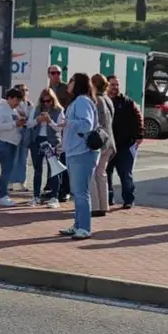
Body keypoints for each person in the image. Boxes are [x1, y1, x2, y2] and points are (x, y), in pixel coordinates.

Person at [59, 73, 101, 240]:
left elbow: (86, 124)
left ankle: (84, 227)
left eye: (71, 81)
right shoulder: (77, 101)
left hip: (82, 152)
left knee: (81, 191)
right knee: (77, 191)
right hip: (74, 151)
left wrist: (68, 123)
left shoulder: (82, 101)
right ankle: (78, 225)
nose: (68, 83)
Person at [106, 75, 144, 210]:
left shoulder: (127, 102)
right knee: (106, 174)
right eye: (112, 84)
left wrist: (139, 135)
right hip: (108, 145)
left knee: (125, 174)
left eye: (117, 85)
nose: (115, 87)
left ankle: (128, 199)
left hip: (124, 144)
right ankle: (107, 199)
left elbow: (138, 117)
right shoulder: (102, 102)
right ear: (106, 86)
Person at [26, 89, 64, 208]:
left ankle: (54, 197)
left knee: (53, 169)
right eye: (43, 101)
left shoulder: (59, 110)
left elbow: (59, 128)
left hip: (51, 141)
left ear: (53, 100)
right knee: (37, 169)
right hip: (37, 140)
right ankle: (36, 196)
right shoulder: (36, 109)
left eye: (49, 101)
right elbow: (29, 124)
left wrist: (49, 121)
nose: (46, 103)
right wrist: (38, 120)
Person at [0, 87, 26, 206]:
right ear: (10, 98)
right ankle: (2, 195)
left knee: (7, 169)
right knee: (6, 170)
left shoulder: (13, 110)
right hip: (3, 142)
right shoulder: (1, 110)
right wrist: (14, 124)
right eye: (17, 100)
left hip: (12, 142)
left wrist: (20, 123)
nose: (18, 103)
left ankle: (3, 194)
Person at [89, 74, 116, 217]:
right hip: (109, 141)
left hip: (100, 142)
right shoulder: (108, 99)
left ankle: (94, 206)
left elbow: (99, 122)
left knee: (93, 174)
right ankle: (103, 205)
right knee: (101, 174)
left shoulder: (97, 100)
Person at [47, 65, 72, 202]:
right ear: (49, 74)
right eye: (53, 73)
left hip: (63, 126)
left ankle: (65, 189)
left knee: (63, 159)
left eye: (58, 73)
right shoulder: (47, 89)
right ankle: (52, 186)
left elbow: (69, 105)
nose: (56, 75)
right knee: (51, 158)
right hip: (50, 128)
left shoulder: (65, 88)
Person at [9, 84, 33, 192]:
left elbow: (32, 119)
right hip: (15, 132)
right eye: (22, 90)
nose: (24, 92)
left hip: (26, 133)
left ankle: (22, 183)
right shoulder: (12, 105)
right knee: (13, 158)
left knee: (23, 159)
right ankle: (9, 182)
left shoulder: (29, 105)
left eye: (26, 90)